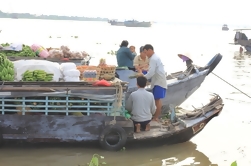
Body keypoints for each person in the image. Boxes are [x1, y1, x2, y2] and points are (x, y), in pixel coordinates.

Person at [139, 44, 167, 121]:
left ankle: (156, 117)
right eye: (144, 52)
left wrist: (143, 78)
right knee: (156, 100)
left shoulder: (154, 59)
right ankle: (155, 116)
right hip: (157, 81)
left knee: (157, 100)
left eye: (146, 52)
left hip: (159, 81)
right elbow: (151, 70)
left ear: (150, 50)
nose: (145, 54)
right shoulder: (154, 58)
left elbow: (151, 72)